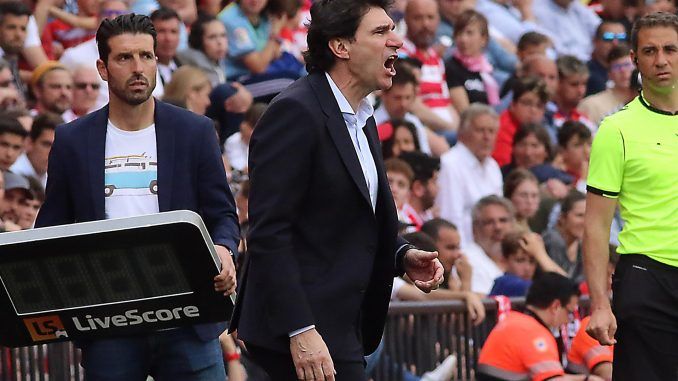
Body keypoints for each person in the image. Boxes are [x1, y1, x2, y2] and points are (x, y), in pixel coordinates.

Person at [229, 0, 445, 379]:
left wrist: (401, 255)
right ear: (340, 47)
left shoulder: (362, 115)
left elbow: (343, 220)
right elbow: (269, 233)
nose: (397, 41)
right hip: (299, 335)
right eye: (381, 32)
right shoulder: (296, 112)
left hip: (343, 328)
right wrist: (301, 330)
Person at [35, 13, 240, 380]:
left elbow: (223, 215)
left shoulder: (194, 131)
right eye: (124, 58)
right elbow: (51, 228)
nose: (138, 67)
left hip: (188, 317)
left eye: (146, 56)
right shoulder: (72, 140)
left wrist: (223, 250)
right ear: (102, 67)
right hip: (108, 323)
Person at [584, 12, 678, 381]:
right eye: (650, 51)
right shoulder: (616, 129)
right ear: (635, 60)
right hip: (647, 278)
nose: (661, 60)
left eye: (670, 49)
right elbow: (595, 225)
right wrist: (599, 304)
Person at [477, 272, 600, 381]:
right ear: (556, 306)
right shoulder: (533, 332)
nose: (568, 320)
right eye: (569, 312)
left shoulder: (513, 320)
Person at [437, 103, 502, 246]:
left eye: (491, 131)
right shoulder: (450, 164)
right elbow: (451, 218)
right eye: (480, 130)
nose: (487, 137)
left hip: (491, 247)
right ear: (462, 133)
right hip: (465, 248)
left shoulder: (493, 166)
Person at [445, 10, 500, 112]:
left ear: (484, 39)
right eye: (459, 33)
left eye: (469, 33)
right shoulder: (451, 67)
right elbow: (464, 112)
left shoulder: (487, 69)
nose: (463, 39)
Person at [10, 112, 60, 188]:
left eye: (57, 147)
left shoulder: (54, 178)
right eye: (46, 145)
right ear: (29, 143)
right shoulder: (11, 172)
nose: (52, 153)